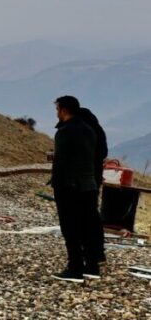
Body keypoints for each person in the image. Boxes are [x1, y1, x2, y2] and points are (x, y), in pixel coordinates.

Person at [49, 95, 101, 282]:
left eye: (57, 110)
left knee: (70, 228)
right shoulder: (89, 130)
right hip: (89, 184)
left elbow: (61, 161)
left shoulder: (65, 132)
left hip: (69, 186)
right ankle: (92, 267)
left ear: (63, 110)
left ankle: (75, 268)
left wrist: (57, 183)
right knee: (87, 226)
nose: (57, 113)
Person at [77, 106, 108, 265]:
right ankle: (97, 251)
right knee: (92, 214)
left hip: (87, 179)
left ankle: (91, 251)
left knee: (86, 215)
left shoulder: (87, 133)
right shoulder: (98, 131)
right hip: (94, 177)